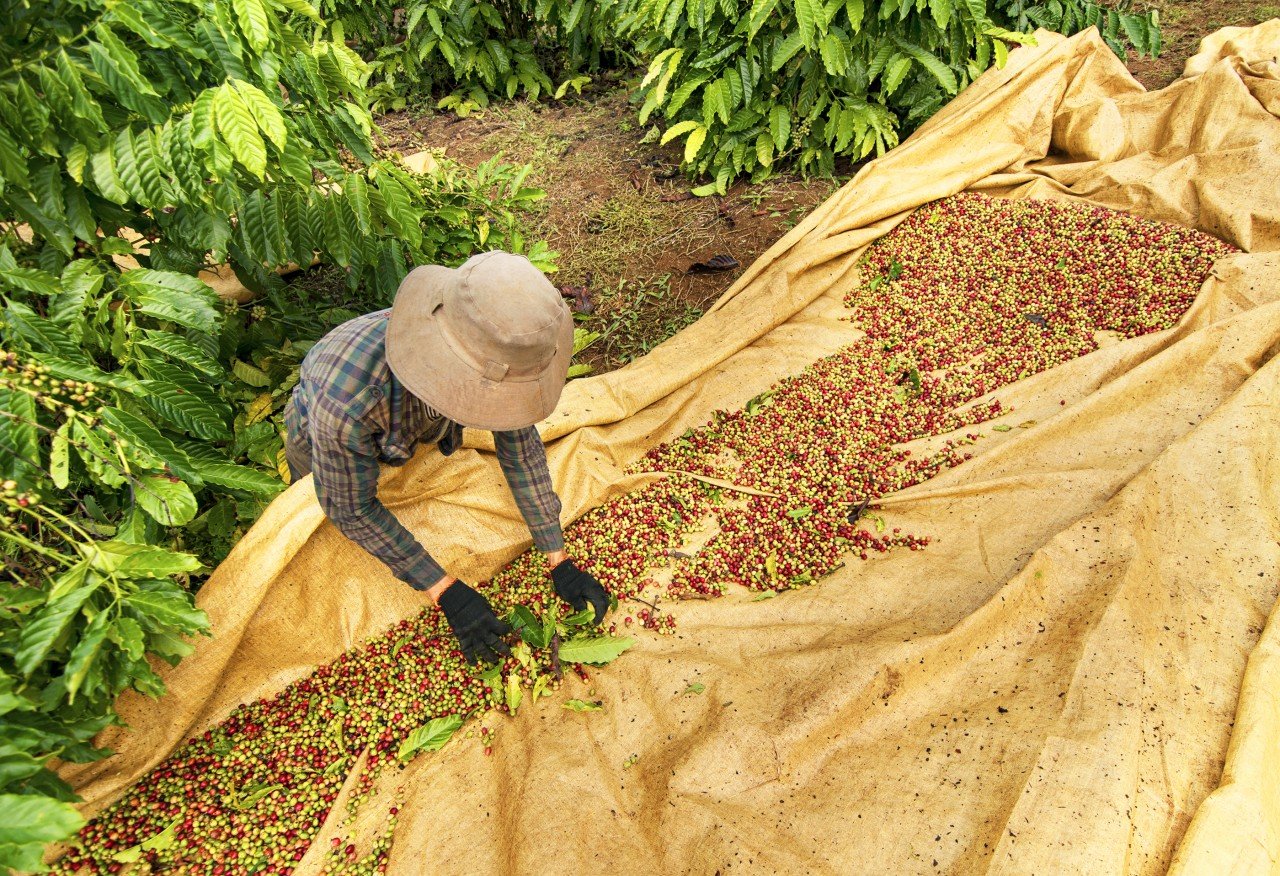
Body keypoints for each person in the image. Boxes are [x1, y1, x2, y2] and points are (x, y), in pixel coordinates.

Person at [283, 250, 610, 663]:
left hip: (401, 424)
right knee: (313, 526)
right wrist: (446, 590)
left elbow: (520, 447)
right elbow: (349, 507)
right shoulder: (348, 402)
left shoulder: (489, 339)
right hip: (321, 442)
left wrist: (556, 556)